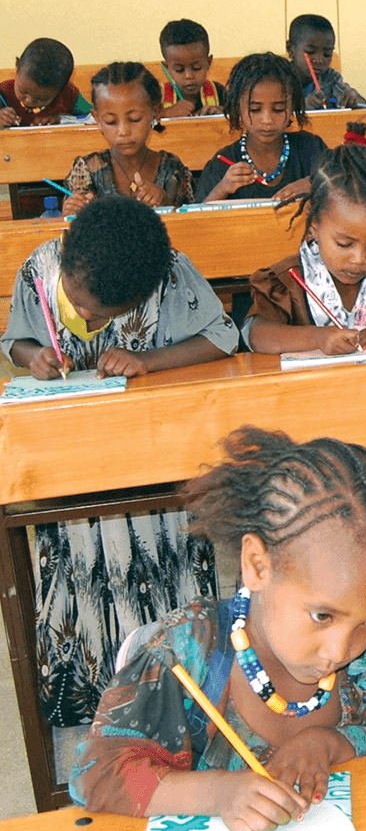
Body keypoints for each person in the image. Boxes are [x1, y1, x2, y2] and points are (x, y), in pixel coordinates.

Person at [68, 429, 366, 831]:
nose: (341, 650)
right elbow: (96, 776)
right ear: (257, 564)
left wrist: (327, 742)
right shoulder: (189, 649)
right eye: (323, 616)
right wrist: (220, 795)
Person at [3, 196, 239, 725]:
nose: (86, 317)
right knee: (79, 562)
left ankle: (170, 692)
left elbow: (222, 338)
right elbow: (15, 338)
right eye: (80, 304)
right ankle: (89, 693)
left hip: (151, 461)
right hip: (71, 467)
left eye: (102, 314)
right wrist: (31, 356)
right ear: (65, 260)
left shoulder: (170, 275)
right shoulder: (38, 271)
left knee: (161, 563)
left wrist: (148, 359)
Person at [242, 143, 366, 354]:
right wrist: (317, 337)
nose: (359, 259)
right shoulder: (288, 280)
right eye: (344, 244)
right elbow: (257, 334)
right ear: (314, 224)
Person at [195, 52, 328, 203]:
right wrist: (222, 189)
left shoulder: (311, 148)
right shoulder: (222, 164)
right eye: (255, 109)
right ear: (238, 107)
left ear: (293, 107)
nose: (267, 120)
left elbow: (344, 188)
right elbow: (197, 221)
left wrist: (316, 184)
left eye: (278, 109)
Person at [63, 63, 195, 213]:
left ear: (156, 112)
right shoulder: (87, 169)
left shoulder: (171, 168)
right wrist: (71, 212)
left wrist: (164, 202)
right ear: (97, 120)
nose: (123, 131)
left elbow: (190, 221)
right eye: (111, 122)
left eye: (134, 119)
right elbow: (71, 224)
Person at [0, 37, 90, 127]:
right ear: (17, 66)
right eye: (23, 91)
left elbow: (93, 117)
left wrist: (63, 119)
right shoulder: (3, 92)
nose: (29, 101)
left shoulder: (68, 94)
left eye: (41, 99)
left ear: (60, 89)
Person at [287, 13, 366, 110]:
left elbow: (363, 106)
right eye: (310, 52)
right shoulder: (278, 79)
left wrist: (354, 100)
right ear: (290, 50)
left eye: (327, 54)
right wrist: (301, 106)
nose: (319, 60)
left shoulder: (331, 79)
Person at [157, 19, 226, 117]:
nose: (189, 76)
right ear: (166, 68)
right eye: (179, 70)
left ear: (208, 63)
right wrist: (165, 114)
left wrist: (223, 111)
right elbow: (145, 126)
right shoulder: (157, 97)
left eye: (196, 68)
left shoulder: (219, 92)